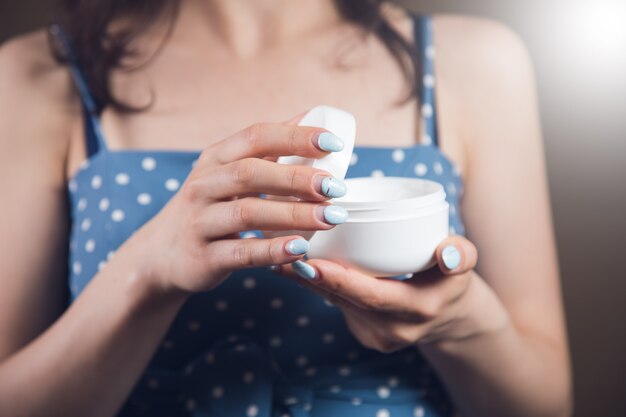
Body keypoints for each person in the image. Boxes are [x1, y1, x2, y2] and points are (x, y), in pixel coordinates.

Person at [0, 0, 572, 416]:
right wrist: (146, 272)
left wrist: (460, 323)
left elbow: (545, 406)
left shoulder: (472, 62)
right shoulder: (36, 74)